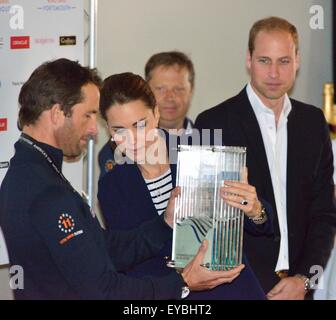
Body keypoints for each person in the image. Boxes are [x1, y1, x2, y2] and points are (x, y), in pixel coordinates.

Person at [0, 58, 245, 300]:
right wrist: (182, 283)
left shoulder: (33, 170)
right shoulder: (42, 188)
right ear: (56, 114)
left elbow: (103, 248)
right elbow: (102, 289)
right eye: (88, 115)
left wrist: (165, 224)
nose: (94, 130)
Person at [97, 72, 275, 300]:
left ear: (156, 113)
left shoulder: (201, 150)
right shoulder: (113, 186)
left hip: (232, 289)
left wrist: (254, 210)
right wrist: (166, 223)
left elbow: (264, 227)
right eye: (119, 130)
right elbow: (128, 257)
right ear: (108, 130)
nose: (133, 139)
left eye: (140, 125)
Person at [194, 16, 336, 300]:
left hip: (299, 289)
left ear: (297, 60)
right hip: (237, 287)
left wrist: (305, 280)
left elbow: (324, 214)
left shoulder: (312, 122)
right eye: (264, 61)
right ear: (248, 59)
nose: (274, 73)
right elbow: (204, 221)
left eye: (283, 61)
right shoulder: (214, 123)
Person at [98, 51, 194, 177]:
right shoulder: (115, 152)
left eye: (178, 89)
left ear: (191, 90)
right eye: (160, 89)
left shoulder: (205, 147)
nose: (169, 97)